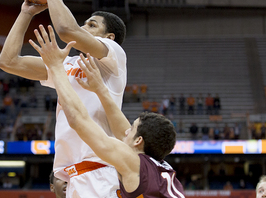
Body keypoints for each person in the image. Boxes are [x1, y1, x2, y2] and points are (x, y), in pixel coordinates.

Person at [0, 0, 127, 196]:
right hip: (70, 176)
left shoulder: (113, 58)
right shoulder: (65, 64)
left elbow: (67, 30)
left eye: (92, 25)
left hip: (98, 169)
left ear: (109, 37)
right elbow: (8, 62)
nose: (84, 27)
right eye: (84, 23)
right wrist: (26, 13)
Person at [30, 25, 185, 198]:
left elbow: (78, 120)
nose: (125, 133)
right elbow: (121, 129)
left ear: (138, 140)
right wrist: (101, 90)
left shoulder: (133, 162)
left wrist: (57, 67)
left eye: (131, 130)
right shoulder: (162, 168)